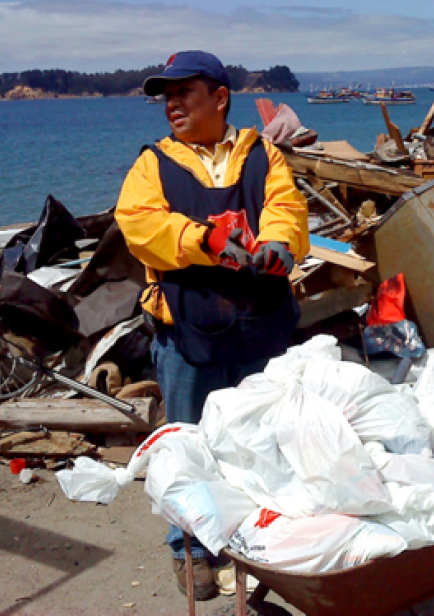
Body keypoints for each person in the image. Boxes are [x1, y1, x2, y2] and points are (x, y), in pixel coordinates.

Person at [115, 50, 309, 599]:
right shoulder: (155, 162)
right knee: (187, 446)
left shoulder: (262, 153)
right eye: (166, 95)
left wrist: (277, 243)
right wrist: (204, 241)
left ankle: (257, 543)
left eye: (184, 92)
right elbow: (139, 224)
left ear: (219, 98)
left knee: (261, 440)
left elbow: (286, 207)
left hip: (261, 323)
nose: (171, 104)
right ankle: (190, 550)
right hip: (187, 330)